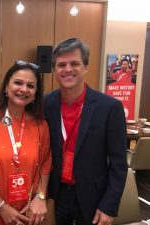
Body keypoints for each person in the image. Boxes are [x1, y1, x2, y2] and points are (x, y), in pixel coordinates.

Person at [44, 38, 127, 225]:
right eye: (61, 64)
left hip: (94, 197)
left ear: (86, 67)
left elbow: (119, 164)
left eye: (74, 63)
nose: (67, 69)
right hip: (56, 195)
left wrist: (109, 206)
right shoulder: (45, 104)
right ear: (55, 70)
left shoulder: (109, 107)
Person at [0, 61, 52, 225]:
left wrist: (41, 196)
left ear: (36, 93)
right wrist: (2, 208)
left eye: (30, 85)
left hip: (29, 213)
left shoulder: (41, 126)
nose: (24, 89)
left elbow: (45, 163)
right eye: (18, 83)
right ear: (6, 88)